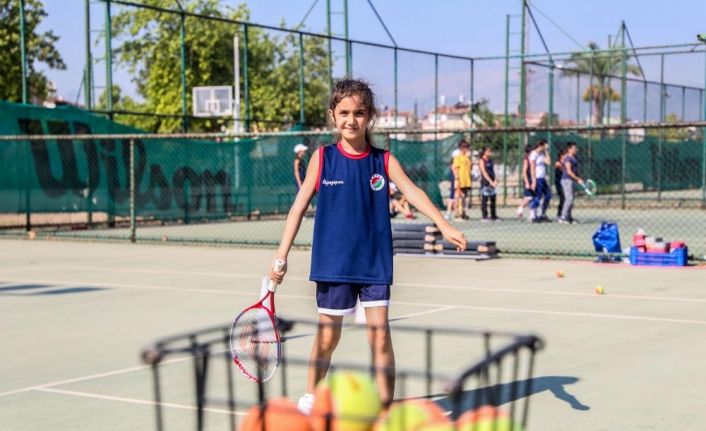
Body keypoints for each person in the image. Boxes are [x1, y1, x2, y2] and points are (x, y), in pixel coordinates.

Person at [269, 78, 467, 413]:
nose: (351, 120)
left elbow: (412, 192)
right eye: (344, 113)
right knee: (328, 337)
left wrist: (443, 224)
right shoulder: (322, 158)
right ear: (333, 116)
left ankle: (385, 408)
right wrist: (281, 255)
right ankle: (310, 398)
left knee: (379, 335)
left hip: (374, 263)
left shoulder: (383, 160)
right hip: (333, 263)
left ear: (370, 116)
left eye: (359, 113)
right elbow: (298, 207)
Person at [559, 142, 584, 224]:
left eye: (576, 148)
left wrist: (578, 179)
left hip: (571, 180)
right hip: (566, 180)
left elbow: (574, 171)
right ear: (569, 149)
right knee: (569, 199)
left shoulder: (573, 158)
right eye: (574, 148)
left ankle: (568, 217)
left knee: (571, 199)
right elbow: (569, 171)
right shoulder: (567, 158)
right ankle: (562, 217)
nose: (576, 150)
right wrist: (577, 179)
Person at [529, 139, 552, 222]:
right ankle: (532, 215)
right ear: (541, 145)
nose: (546, 146)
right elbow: (532, 168)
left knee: (548, 195)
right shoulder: (533, 154)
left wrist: (546, 152)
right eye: (545, 145)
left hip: (543, 178)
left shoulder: (542, 154)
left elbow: (548, 162)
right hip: (537, 178)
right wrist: (533, 180)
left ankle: (543, 214)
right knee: (537, 197)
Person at [452, 140, 472, 220]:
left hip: (466, 180)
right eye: (466, 147)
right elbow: (454, 168)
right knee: (458, 197)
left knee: (464, 197)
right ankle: (457, 214)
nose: (467, 149)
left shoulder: (467, 158)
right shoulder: (457, 157)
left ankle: (463, 213)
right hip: (460, 180)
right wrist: (457, 179)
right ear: (462, 148)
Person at [478, 146, 499, 222]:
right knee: (485, 199)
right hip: (486, 182)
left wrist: (496, 180)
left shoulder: (490, 160)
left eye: (490, 151)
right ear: (484, 152)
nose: (490, 153)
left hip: (493, 182)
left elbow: (494, 170)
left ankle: (493, 216)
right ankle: (484, 216)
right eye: (488, 151)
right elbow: (484, 172)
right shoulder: (481, 160)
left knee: (493, 199)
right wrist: (490, 182)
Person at [516, 144, 535, 220]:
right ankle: (519, 210)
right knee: (528, 197)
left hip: (532, 179)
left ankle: (532, 214)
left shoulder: (533, 159)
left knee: (533, 197)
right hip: (528, 180)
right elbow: (524, 172)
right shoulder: (526, 160)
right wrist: (527, 182)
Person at [445, 149, 460, 220]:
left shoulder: (458, 163)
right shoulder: (454, 164)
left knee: (457, 197)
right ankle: (448, 214)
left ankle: (457, 213)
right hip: (455, 182)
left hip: (459, 181)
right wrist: (456, 181)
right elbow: (455, 174)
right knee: (452, 197)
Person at [554, 146, 567, 219]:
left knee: (566, 198)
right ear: (561, 155)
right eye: (564, 154)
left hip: (565, 183)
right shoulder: (558, 163)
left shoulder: (567, 162)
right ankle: (559, 214)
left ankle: (564, 214)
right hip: (559, 183)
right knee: (563, 198)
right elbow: (563, 169)